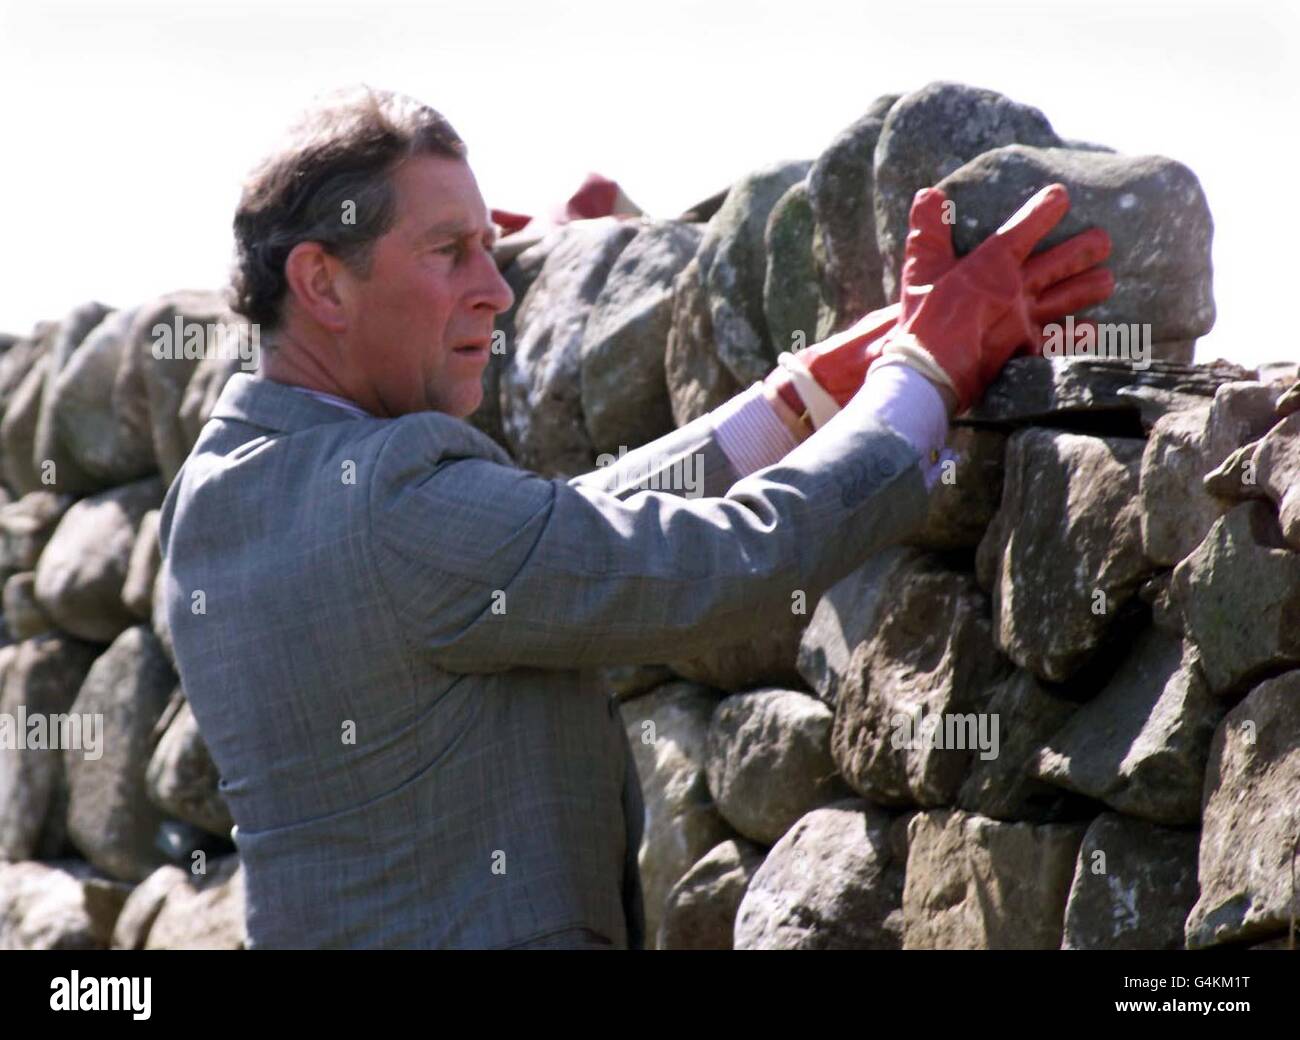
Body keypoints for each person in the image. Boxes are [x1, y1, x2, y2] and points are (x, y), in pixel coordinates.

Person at [157, 85, 1112, 950]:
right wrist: (924, 377)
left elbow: (552, 538)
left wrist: (805, 400)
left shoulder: (221, 489)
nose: (495, 288)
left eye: (490, 246)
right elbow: (723, 566)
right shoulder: (391, 497)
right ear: (322, 283)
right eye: (450, 252)